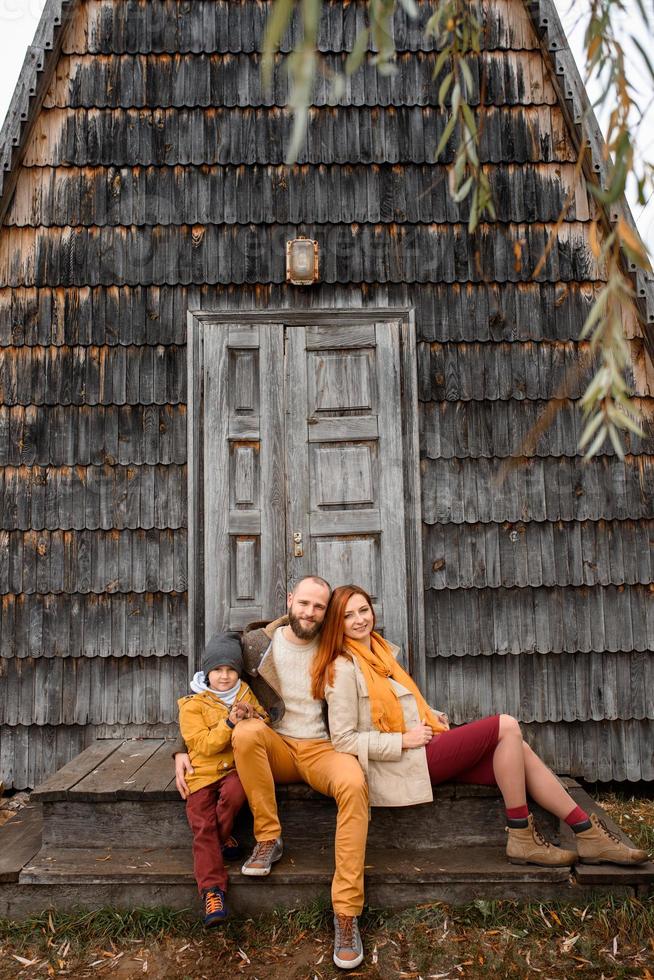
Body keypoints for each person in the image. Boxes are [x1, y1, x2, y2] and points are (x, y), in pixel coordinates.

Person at [313, 585, 649, 872]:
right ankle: (520, 833)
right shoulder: (341, 670)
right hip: (400, 763)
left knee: (517, 748)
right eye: (348, 615)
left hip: (422, 748)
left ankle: (586, 833)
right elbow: (343, 740)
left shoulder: (381, 654)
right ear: (336, 625)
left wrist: (433, 714)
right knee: (506, 725)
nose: (359, 620)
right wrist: (402, 740)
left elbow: (402, 704)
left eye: (363, 610)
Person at [174, 577, 369, 970]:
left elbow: (384, 674)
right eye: (304, 604)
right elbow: (207, 688)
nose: (310, 613)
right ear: (290, 600)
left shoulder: (337, 644)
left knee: (353, 782)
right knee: (245, 732)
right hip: (275, 746)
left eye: (319, 607)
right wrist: (178, 748)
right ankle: (268, 838)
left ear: (327, 611)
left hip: (322, 749)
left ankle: (346, 914)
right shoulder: (256, 644)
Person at [178, 631, 270, 926]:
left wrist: (252, 713)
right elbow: (203, 745)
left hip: (234, 770)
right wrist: (230, 721)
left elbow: (266, 721)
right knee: (202, 824)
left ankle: (218, 841)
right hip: (201, 775)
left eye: (231, 669)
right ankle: (212, 891)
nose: (225, 676)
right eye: (217, 670)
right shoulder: (192, 704)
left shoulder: (244, 693)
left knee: (235, 794)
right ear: (207, 672)